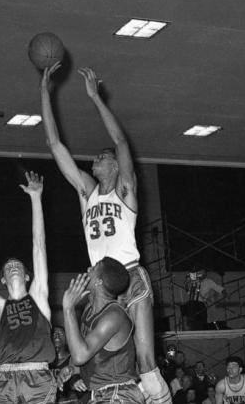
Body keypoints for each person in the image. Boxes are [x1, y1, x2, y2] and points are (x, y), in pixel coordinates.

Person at [41, 61, 170, 404]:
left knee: (145, 364)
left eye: (101, 157)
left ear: (113, 166)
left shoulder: (125, 190)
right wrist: (44, 93)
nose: (94, 160)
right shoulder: (87, 191)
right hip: (99, 281)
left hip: (129, 275)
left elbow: (119, 140)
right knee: (94, 358)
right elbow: (55, 145)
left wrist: (95, 97)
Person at [0, 171, 56, 403]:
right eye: (8, 267)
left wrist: (36, 199)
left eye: (18, 265)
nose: (13, 267)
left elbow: (39, 247)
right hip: (6, 377)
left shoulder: (38, 296)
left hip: (37, 375)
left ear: (27, 276)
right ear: (4, 280)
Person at [61, 259, 146, 404]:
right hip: (102, 394)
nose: (88, 269)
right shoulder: (89, 309)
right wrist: (71, 370)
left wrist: (68, 309)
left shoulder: (114, 315)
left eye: (93, 269)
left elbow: (80, 355)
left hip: (120, 394)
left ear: (99, 282)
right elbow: (82, 350)